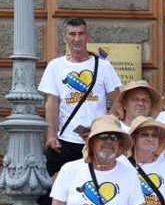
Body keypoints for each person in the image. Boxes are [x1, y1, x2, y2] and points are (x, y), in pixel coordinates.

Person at [39, 17, 121, 176]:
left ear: (87, 37)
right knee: (42, 178)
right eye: (72, 34)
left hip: (96, 138)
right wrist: (51, 136)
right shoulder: (55, 66)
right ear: (65, 38)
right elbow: (51, 104)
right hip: (66, 139)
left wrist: (103, 125)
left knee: (97, 180)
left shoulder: (103, 65)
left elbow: (119, 99)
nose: (77, 39)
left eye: (81, 34)